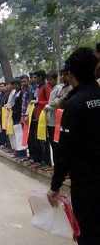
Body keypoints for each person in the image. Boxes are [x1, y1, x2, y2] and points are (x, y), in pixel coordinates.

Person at [47, 47, 100, 244]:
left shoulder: (75, 104)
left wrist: (55, 185)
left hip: (87, 181)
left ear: (70, 74)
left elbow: (66, 150)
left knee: (87, 231)